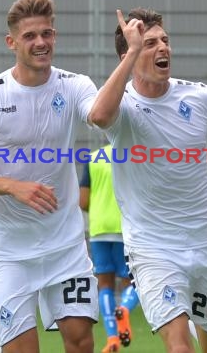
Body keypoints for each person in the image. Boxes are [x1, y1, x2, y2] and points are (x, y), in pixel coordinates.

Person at [87, 8, 207, 353]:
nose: (163, 48)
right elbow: (98, 116)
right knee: (180, 347)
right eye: (149, 43)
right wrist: (133, 51)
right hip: (153, 248)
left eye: (165, 40)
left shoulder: (199, 96)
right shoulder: (123, 107)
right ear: (129, 54)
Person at [0, 0, 99, 353]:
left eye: (47, 33)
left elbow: (100, 115)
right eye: (30, 36)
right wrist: (12, 187)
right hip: (6, 250)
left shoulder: (75, 85)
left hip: (64, 245)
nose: (41, 43)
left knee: (81, 343)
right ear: (11, 42)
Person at [79, 144, 140, 352]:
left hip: (99, 229)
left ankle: (112, 338)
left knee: (104, 285)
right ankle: (124, 308)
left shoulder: (93, 158)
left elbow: (83, 200)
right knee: (133, 281)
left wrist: (98, 208)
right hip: (126, 227)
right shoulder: (134, 155)